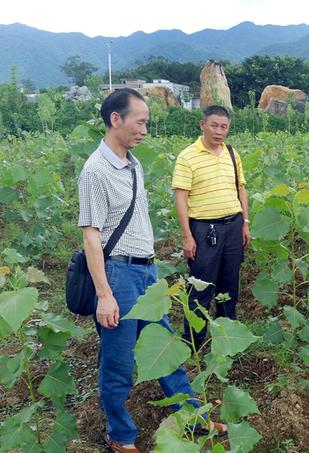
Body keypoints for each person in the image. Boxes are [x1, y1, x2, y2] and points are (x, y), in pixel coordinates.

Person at [78, 88, 225, 453]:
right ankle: (121, 435)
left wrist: (152, 272)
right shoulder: (96, 171)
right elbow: (91, 236)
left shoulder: (133, 164)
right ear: (116, 119)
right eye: (140, 121)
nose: (145, 129)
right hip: (118, 276)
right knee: (119, 360)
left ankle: (193, 416)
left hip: (146, 274)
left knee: (166, 348)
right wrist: (105, 295)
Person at [171, 105, 251, 352]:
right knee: (201, 285)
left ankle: (228, 338)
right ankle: (194, 340)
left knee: (229, 284)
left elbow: (241, 189)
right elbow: (181, 198)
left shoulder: (231, 153)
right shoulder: (187, 157)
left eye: (224, 126)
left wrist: (245, 222)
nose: (219, 131)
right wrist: (187, 236)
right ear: (202, 125)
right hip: (205, 230)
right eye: (214, 125)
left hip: (233, 226)